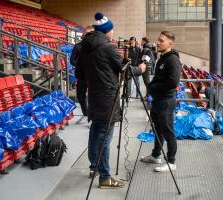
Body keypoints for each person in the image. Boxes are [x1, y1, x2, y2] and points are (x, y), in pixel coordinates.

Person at [76, 12, 146, 188]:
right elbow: (126, 70)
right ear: (107, 31)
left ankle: (95, 168)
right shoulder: (107, 47)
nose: (113, 33)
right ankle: (105, 177)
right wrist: (142, 68)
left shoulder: (84, 46)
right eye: (112, 30)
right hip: (107, 97)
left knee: (96, 131)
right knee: (105, 137)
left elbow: (79, 73)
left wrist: (96, 79)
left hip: (94, 95)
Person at [140, 31, 181, 172]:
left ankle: (171, 162)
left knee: (168, 131)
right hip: (158, 100)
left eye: (161, 40)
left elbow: (173, 82)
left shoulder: (172, 60)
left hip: (166, 101)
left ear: (170, 43)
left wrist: (154, 87)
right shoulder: (162, 58)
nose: (158, 42)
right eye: (158, 40)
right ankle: (156, 155)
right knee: (157, 129)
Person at [70, 25, 93, 124]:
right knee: (80, 96)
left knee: (93, 97)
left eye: (89, 33)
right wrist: (80, 65)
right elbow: (72, 60)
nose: (86, 35)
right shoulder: (78, 46)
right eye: (85, 33)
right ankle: (86, 114)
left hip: (93, 76)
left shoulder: (95, 47)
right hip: (81, 76)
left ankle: (93, 117)